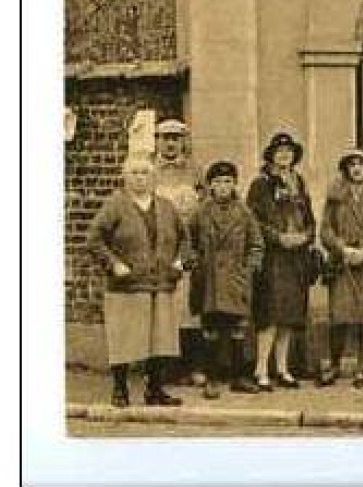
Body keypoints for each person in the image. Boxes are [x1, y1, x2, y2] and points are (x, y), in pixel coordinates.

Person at [86, 154, 190, 407]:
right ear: (125, 177)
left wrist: (179, 261)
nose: (140, 178)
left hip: (161, 283)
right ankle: (120, 389)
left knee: (159, 338)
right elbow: (94, 239)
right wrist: (114, 264)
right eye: (134, 173)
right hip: (127, 286)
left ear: (153, 177)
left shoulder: (165, 206)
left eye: (145, 173)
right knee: (124, 338)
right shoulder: (115, 206)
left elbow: (185, 238)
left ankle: (155, 389)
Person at [245, 131, 316, 391]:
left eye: (289, 151)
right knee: (270, 315)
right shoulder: (260, 184)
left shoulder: (299, 182)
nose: (284, 155)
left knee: (289, 316)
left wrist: (306, 237)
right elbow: (253, 221)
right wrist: (278, 238)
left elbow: (309, 217)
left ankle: (283, 369)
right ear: (271, 155)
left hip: (296, 257)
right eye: (279, 151)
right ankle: (261, 370)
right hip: (273, 257)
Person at [188, 160, 264, 399]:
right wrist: (193, 262)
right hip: (208, 279)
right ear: (210, 186)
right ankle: (212, 379)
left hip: (235, 279)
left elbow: (256, 244)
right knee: (210, 328)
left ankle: (239, 376)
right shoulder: (200, 212)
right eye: (218, 182)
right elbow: (187, 241)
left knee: (237, 328)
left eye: (228, 181)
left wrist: (248, 269)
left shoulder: (244, 212)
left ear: (234, 185)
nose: (223, 186)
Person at [318, 148, 363, 388]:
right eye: (352, 164)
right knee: (340, 317)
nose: (357, 168)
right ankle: (335, 365)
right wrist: (343, 250)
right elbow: (326, 230)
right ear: (345, 168)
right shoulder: (336, 195)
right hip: (343, 264)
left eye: (361, 164)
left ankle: (361, 366)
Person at [151, 118, 206, 385]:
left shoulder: (195, 172)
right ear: (157, 141)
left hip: (187, 246)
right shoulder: (148, 172)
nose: (171, 143)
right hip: (159, 249)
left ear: (184, 141)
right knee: (164, 307)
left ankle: (193, 365)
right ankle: (166, 368)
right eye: (165, 138)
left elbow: (204, 208)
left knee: (189, 307)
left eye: (176, 138)